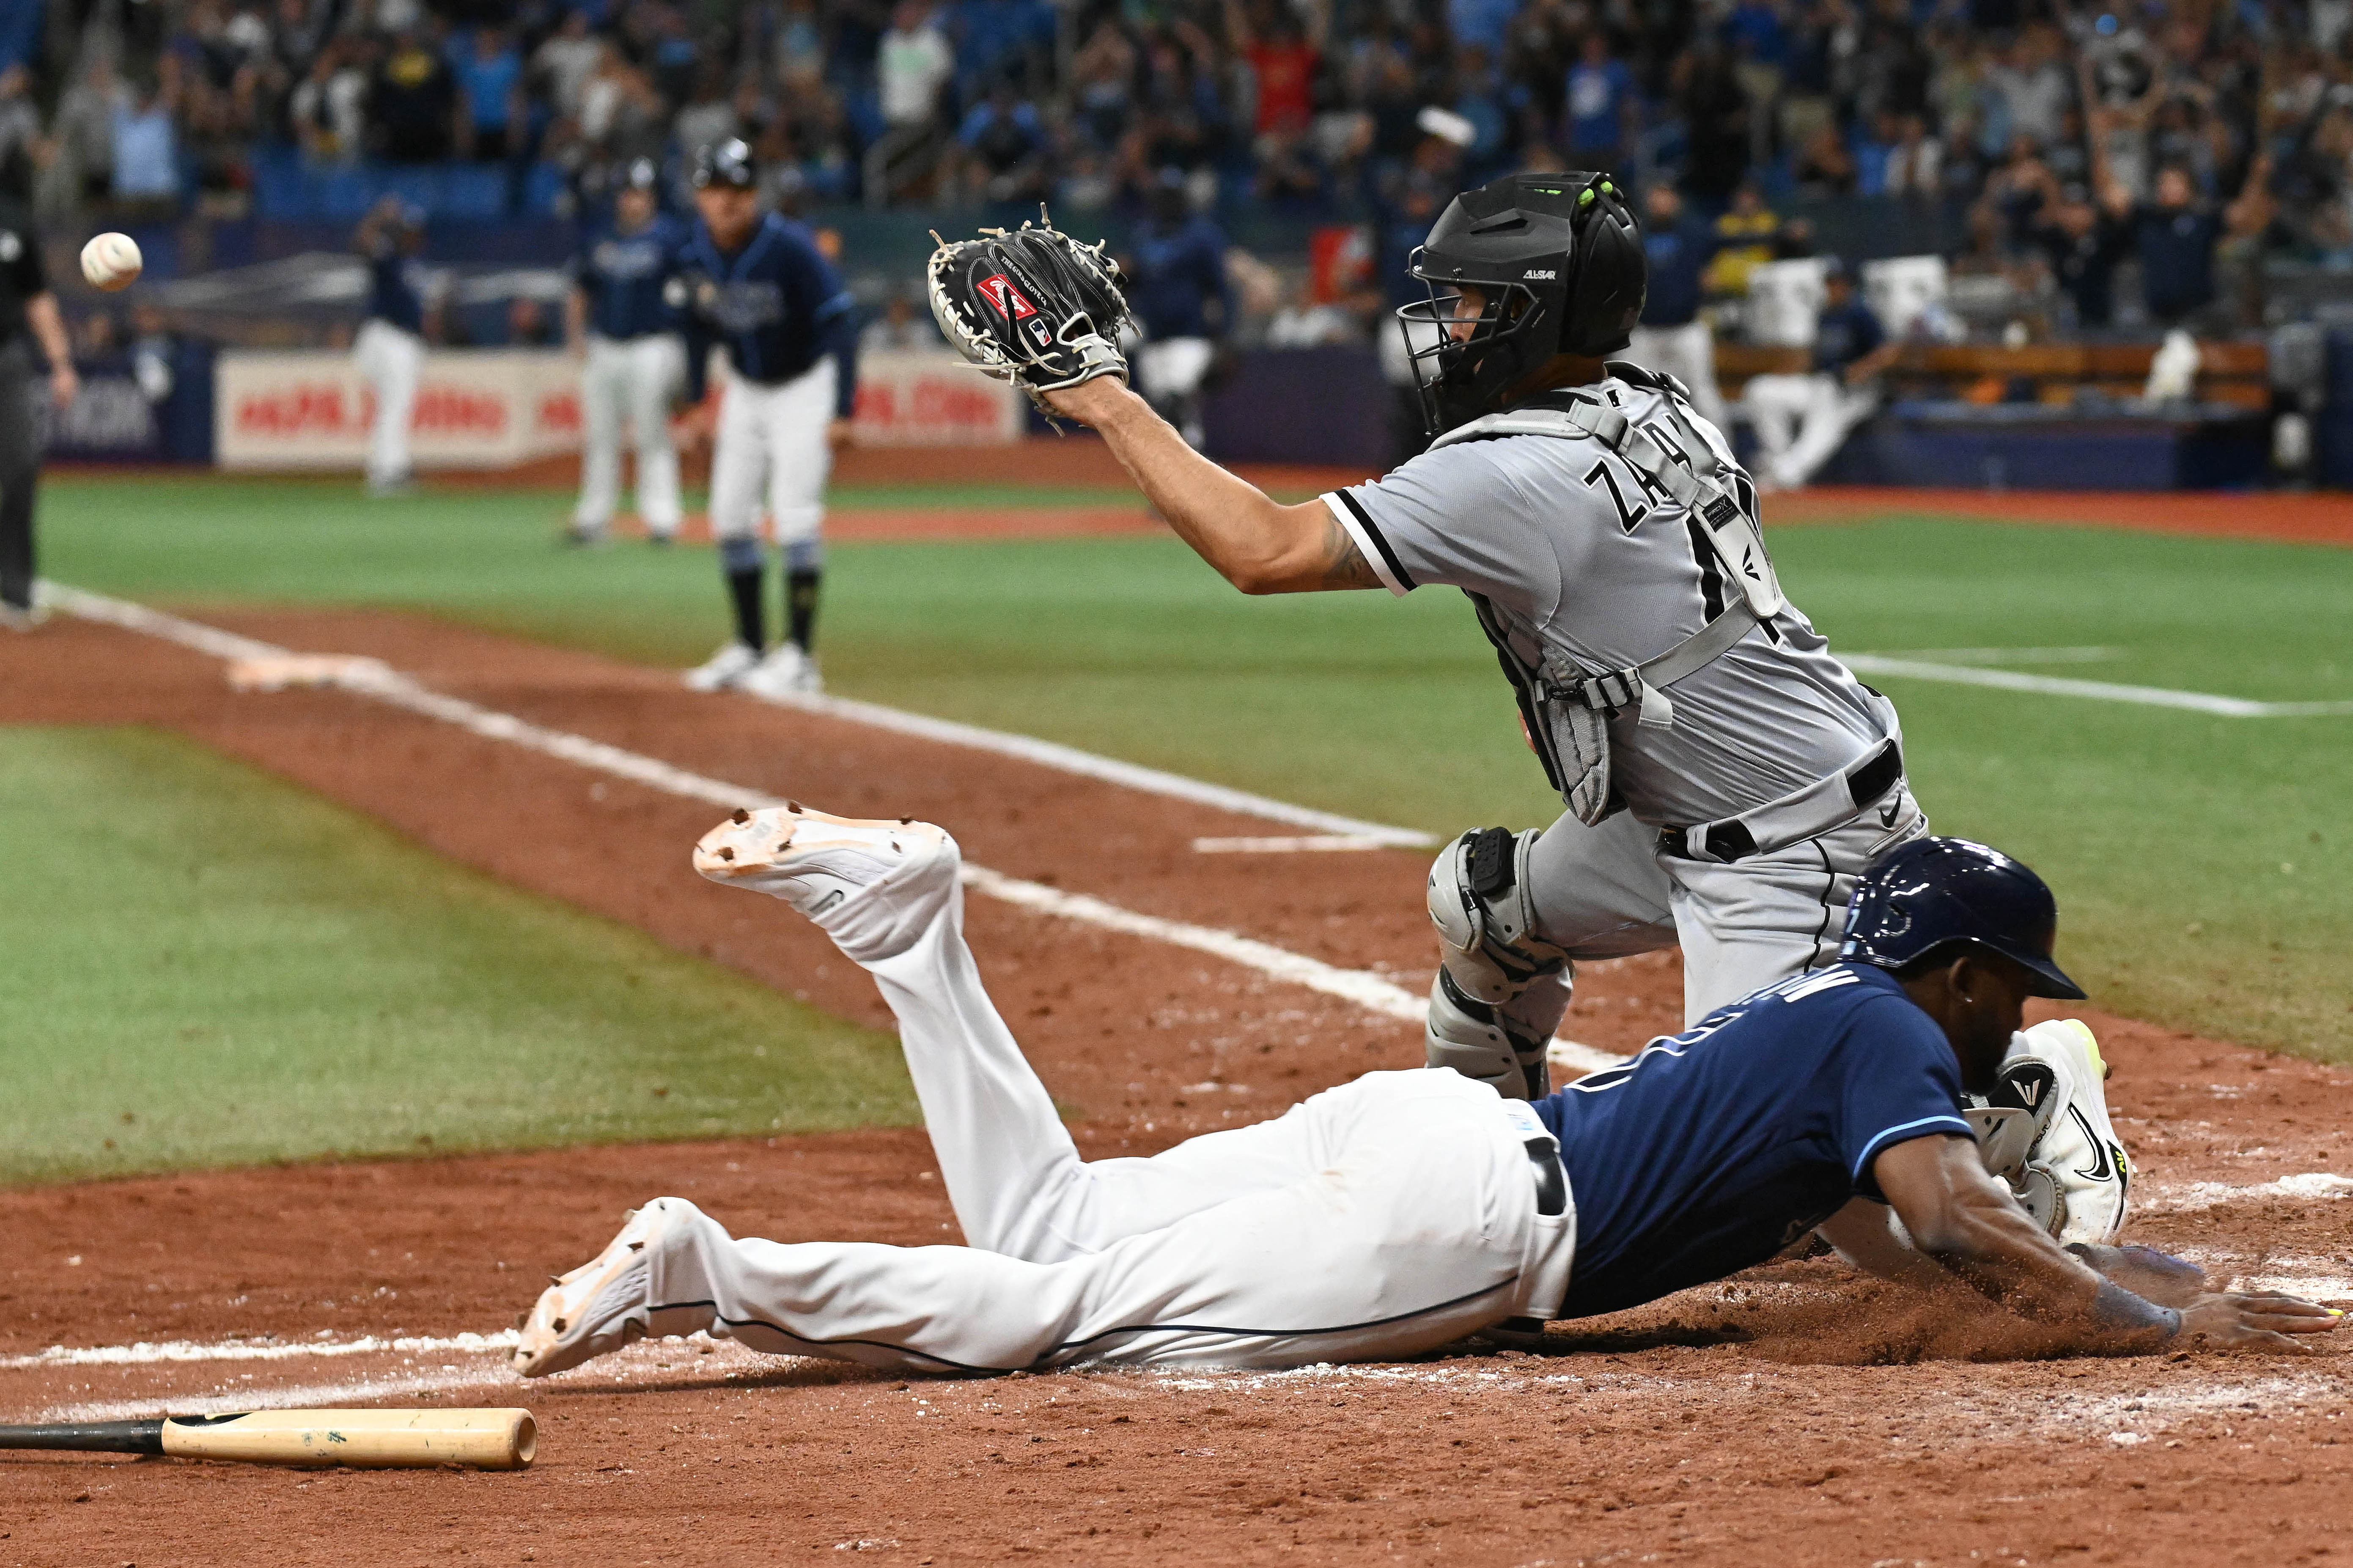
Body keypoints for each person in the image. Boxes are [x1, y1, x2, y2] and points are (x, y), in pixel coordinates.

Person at [510, 811, 2338, 1379]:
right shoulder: (1878, 1033)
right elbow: (1947, 1216)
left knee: (1046, 1230)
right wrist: (2137, 1333)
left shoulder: (1824, 1021)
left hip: (1423, 1131)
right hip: (1464, 1220)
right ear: (1949, 971)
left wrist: (2166, 1277)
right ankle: (705, 1268)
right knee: (1060, 1318)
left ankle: (913, 930)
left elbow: (1898, 1251)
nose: (2003, 1018)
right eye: (2004, 987)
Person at [1031, 173, 1922, 1101]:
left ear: (1531, 314)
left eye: (1469, 300)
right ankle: (1494, 1158)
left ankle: (2022, 1096)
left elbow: (1263, 549)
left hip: (1792, 848)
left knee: (1803, 1184)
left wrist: (1106, 401)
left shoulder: (1512, 472)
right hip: (1709, 811)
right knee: (1488, 907)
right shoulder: (1655, 404)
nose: (1448, 323)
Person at [671, 139, 859, 699]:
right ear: (700, 198)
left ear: (753, 195)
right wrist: (695, 400)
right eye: (714, 191)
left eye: (736, 191)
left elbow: (839, 323)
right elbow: (695, 330)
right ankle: (749, 646)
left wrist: (844, 408)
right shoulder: (696, 253)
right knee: (729, 516)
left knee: (795, 517)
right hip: (745, 392)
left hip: (803, 387)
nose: (725, 203)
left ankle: (800, 656)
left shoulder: (790, 249)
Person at [565, 157, 685, 547]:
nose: (635, 201)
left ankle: (663, 518)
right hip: (605, 346)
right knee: (601, 436)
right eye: (629, 193)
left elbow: (690, 290)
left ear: (652, 198)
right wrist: (576, 338)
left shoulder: (669, 238)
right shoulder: (601, 239)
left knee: (652, 433)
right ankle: (593, 518)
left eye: (642, 194)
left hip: (651, 344)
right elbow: (581, 290)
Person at [1742, 256, 1898, 492]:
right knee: (1761, 391)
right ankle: (1778, 461)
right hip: (1824, 385)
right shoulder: (1825, 314)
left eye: (1836, 283)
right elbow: (1814, 358)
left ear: (1848, 285)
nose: (1831, 288)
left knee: (1823, 425)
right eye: (1828, 283)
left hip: (1858, 393)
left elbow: (1889, 352)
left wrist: (1858, 371)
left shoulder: (1860, 314)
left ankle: (1786, 476)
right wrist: (1789, 373)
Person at [0, 190, 76, 630]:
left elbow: (38, 296)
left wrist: (61, 363)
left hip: (8, 357)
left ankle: (15, 592)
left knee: (21, 466)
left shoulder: (13, 220)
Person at [1124, 168, 1234, 450]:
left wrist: (1226, 335)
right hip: (1152, 335)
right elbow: (1134, 281)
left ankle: (1196, 466)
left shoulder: (1202, 235)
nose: (1167, 202)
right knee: (1160, 412)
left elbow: (1220, 287)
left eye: (1172, 196)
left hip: (1190, 334)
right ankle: (1175, 476)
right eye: (1162, 196)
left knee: (1178, 401)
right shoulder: (1144, 234)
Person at [1626, 183, 1730, 432]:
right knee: (1627, 392)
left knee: (1704, 394)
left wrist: (1781, 234)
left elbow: (1731, 241)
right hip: (1645, 330)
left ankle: (1729, 461)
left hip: (1687, 328)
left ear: (1677, 200)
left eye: (1666, 196)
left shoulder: (1693, 233)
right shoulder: (1635, 234)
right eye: (1656, 196)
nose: (1661, 202)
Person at [351, 195, 428, 498]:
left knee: (393, 405)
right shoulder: (388, 256)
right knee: (396, 404)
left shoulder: (413, 264)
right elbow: (361, 243)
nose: (413, 236)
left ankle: (385, 468)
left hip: (403, 340)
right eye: (407, 230)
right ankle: (391, 470)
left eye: (416, 231)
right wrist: (378, 216)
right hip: (387, 336)